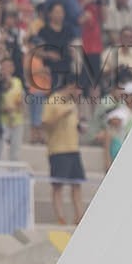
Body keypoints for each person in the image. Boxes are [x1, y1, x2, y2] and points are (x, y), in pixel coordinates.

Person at [41, 88, 84, 225]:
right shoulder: (53, 101)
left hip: (73, 148)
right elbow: (46, 122)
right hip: (58, 150)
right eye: (78, 90)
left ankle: (79, 216)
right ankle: (60, 217)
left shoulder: (73, 104)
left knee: (77, 184)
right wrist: (63, 113)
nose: (79, 93)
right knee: (58, 185)